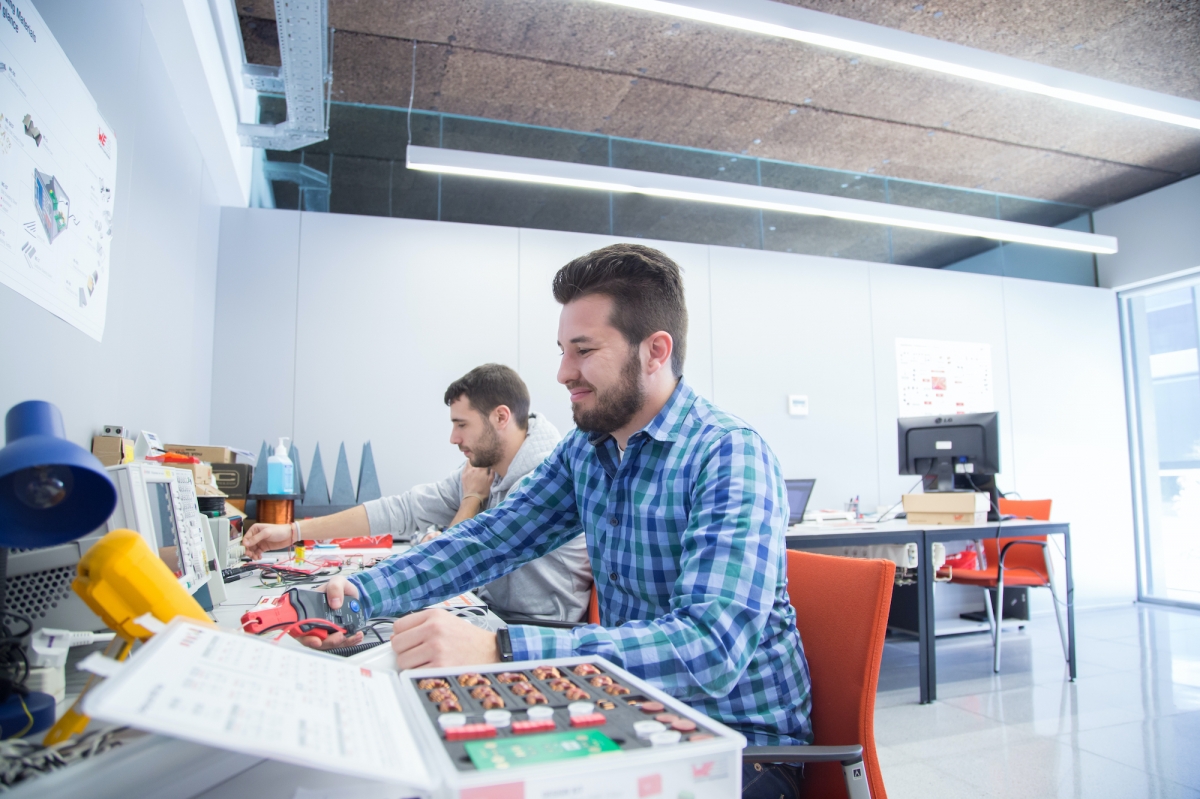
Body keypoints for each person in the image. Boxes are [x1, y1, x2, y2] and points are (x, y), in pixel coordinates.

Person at [302, 245, 813, 798]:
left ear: (655, 351)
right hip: (631, 712)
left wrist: (498, 649)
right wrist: (362, 591)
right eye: (562, 351)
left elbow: (709, 649)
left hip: (744, 749)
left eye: (584, 350)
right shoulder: (587, 450)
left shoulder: (729, 455)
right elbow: (492, 539)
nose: (563, 373)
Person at [242, 364, 592, 623]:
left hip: (534, 625)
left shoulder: (543, 475)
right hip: (488, 608)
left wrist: (471, 500)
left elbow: (472, 550)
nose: (453, 439)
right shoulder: (483, 469)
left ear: (501, 417)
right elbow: (404, 510)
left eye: (461, 424)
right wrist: (292, 532)